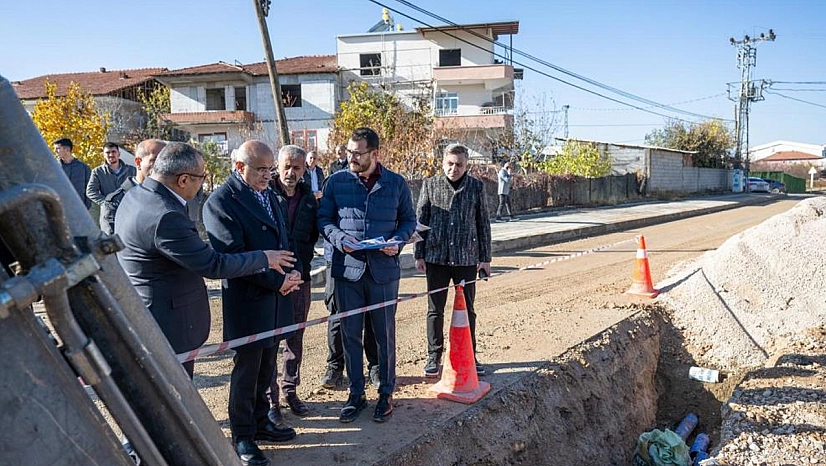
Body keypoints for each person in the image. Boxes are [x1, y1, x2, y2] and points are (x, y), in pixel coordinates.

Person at [114, 142, 295, 380]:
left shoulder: (137, 196)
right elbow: (213, 264)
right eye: (201, 178)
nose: (202, 184)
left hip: (150, 312)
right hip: (167, 323)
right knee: (174, 394)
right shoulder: (166, 215)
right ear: (183, 180)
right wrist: (264, 258)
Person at [203, 140, 303, 466]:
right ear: (238, 167)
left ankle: (262, 422)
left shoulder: (268, 195)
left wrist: (293, 274)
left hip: (276, 300)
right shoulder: (221, 202)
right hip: (249, 301)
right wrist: (278, 281)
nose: (267, 175)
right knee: (246, 371)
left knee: (266, 367)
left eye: (269, 169)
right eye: (260, 169)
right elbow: (234, 257)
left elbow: (283, 242)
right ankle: (243, 435)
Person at [318, 127, 416, 423]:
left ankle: (385, 393)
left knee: (384, 335)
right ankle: (355, 393)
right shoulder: (336, 182)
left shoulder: (396, 184)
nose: (351, 158)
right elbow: (323, 220)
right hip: (347, 271)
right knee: (350, 335)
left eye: (357, 153)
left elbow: (408, 220)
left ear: (375, 154)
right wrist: (339, 239)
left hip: (383, 272)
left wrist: (397, 241)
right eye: (348, 152)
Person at [415, 143, 492, 378]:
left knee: (467, 310)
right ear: (442, 163)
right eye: (450, 163)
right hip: (436, 257)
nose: (454, 168)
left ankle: (470, 354)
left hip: (466, 258)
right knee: (435, 309)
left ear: (466, 165)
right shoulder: (430, 185)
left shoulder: (476, 188)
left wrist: (485, 259)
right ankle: (433, 356)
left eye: (459, 164)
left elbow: (482, 223)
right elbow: (420, 221)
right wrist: (419, 253)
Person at [267, 145, 318, 422]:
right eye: (287, 166)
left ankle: (290, 389)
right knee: (271, 340)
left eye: (297, 167)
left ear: (304, 169)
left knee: (295, 337)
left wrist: (301, 267)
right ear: (277, 164)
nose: (291, 172)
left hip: (301, 277)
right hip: (272, 279)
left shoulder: (309, 198)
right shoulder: (265, 194)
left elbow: (311, 236)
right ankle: (271, 399)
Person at [100, 139, 166, 235]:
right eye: (154, 160)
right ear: (138, 162)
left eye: (165, 161)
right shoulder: (115, 202)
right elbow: (111, 243)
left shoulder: (172, 197)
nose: (161, 167)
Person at [87, 142, 137, 230]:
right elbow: (90, 191)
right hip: (109, 215)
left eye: (113, 152)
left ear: (119, 153)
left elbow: (139, 188)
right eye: (107, 152)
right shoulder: (98, 172)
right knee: (110, 240)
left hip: (129, 210)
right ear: (103, 155)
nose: (111, 155)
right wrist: (106, 203)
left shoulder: (131, 170)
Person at [53, 138, 92, 208]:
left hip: (79, 209)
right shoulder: (54, 168)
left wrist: (86, 207)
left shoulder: (84, 168)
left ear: (67, 149)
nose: (55, 151)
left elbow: (89, 189)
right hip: (59, 209)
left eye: (58, 148)